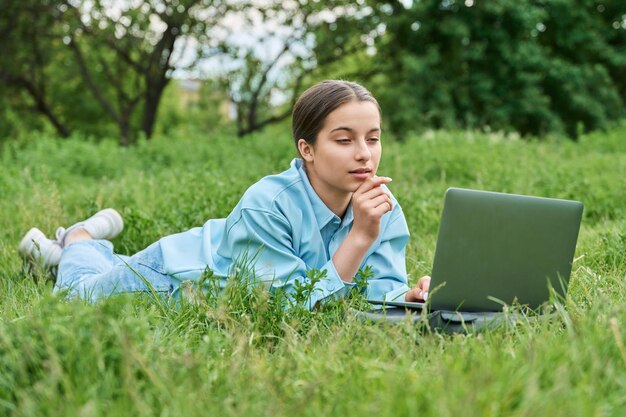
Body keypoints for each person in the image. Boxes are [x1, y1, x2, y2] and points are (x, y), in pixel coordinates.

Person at [18, 80, 430, 309]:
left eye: (373, 139)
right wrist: (359, 238)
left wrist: (406, 297)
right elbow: (293, 308)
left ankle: (75, 252)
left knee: (94, 274)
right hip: (175, 276)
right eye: (344, 140)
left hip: (219, 255)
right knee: (75, 297)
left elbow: (373, 292)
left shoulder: (382, 209)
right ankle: (78, 239)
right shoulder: (268, 203)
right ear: (307, 149)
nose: (364, 154)